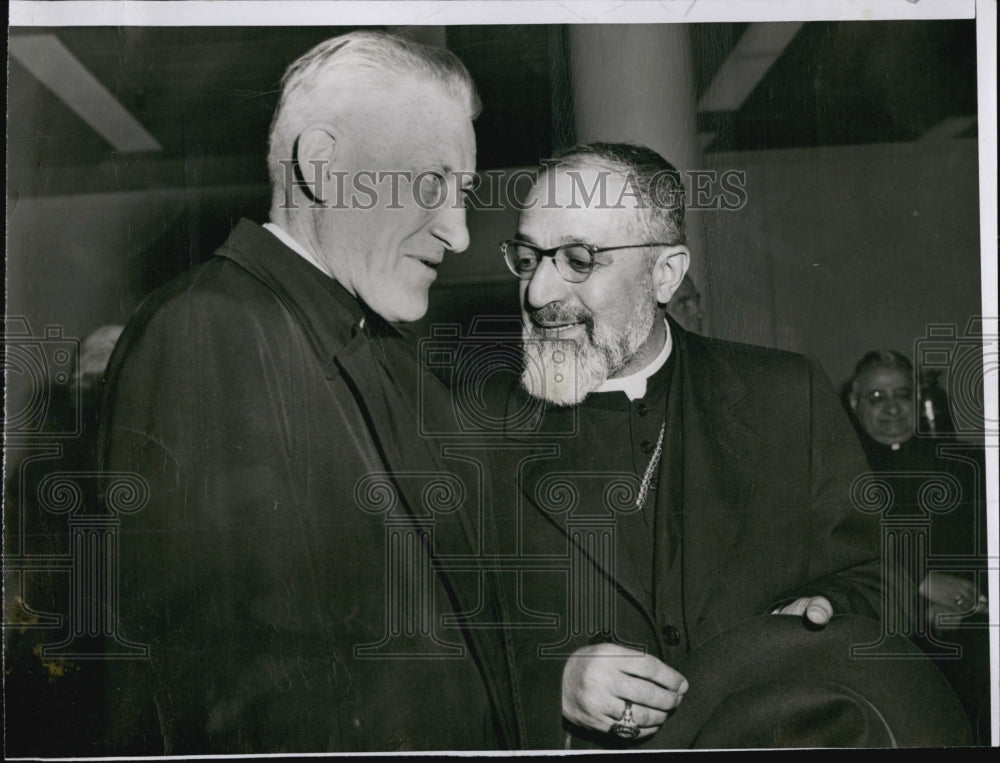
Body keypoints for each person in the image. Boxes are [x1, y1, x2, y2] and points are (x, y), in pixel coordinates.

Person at [98, 32, 520, 753]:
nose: (456, 230)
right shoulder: (208, 331)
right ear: (322, 164)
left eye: (465, 193)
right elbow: (231, 708)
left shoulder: (374, 346)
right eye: (430, 183)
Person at [489, 142, 913, 749]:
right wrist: (548, 683)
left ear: (665, 275)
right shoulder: (474, 429)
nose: (536, 293)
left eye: (579, 259)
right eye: (528, 258)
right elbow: (424, 643)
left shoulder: (787, 395)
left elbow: (881, 576)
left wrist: (826, 612)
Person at [847, 349, 990, 744]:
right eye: (876, 398)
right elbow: (845, 556)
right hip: (894, 638)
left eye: (902, 395)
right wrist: (920, 587)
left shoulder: (966, 464)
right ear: (855, 404)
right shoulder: (841, 474)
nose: (892, 409)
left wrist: (969, 603)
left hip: (975, 630)